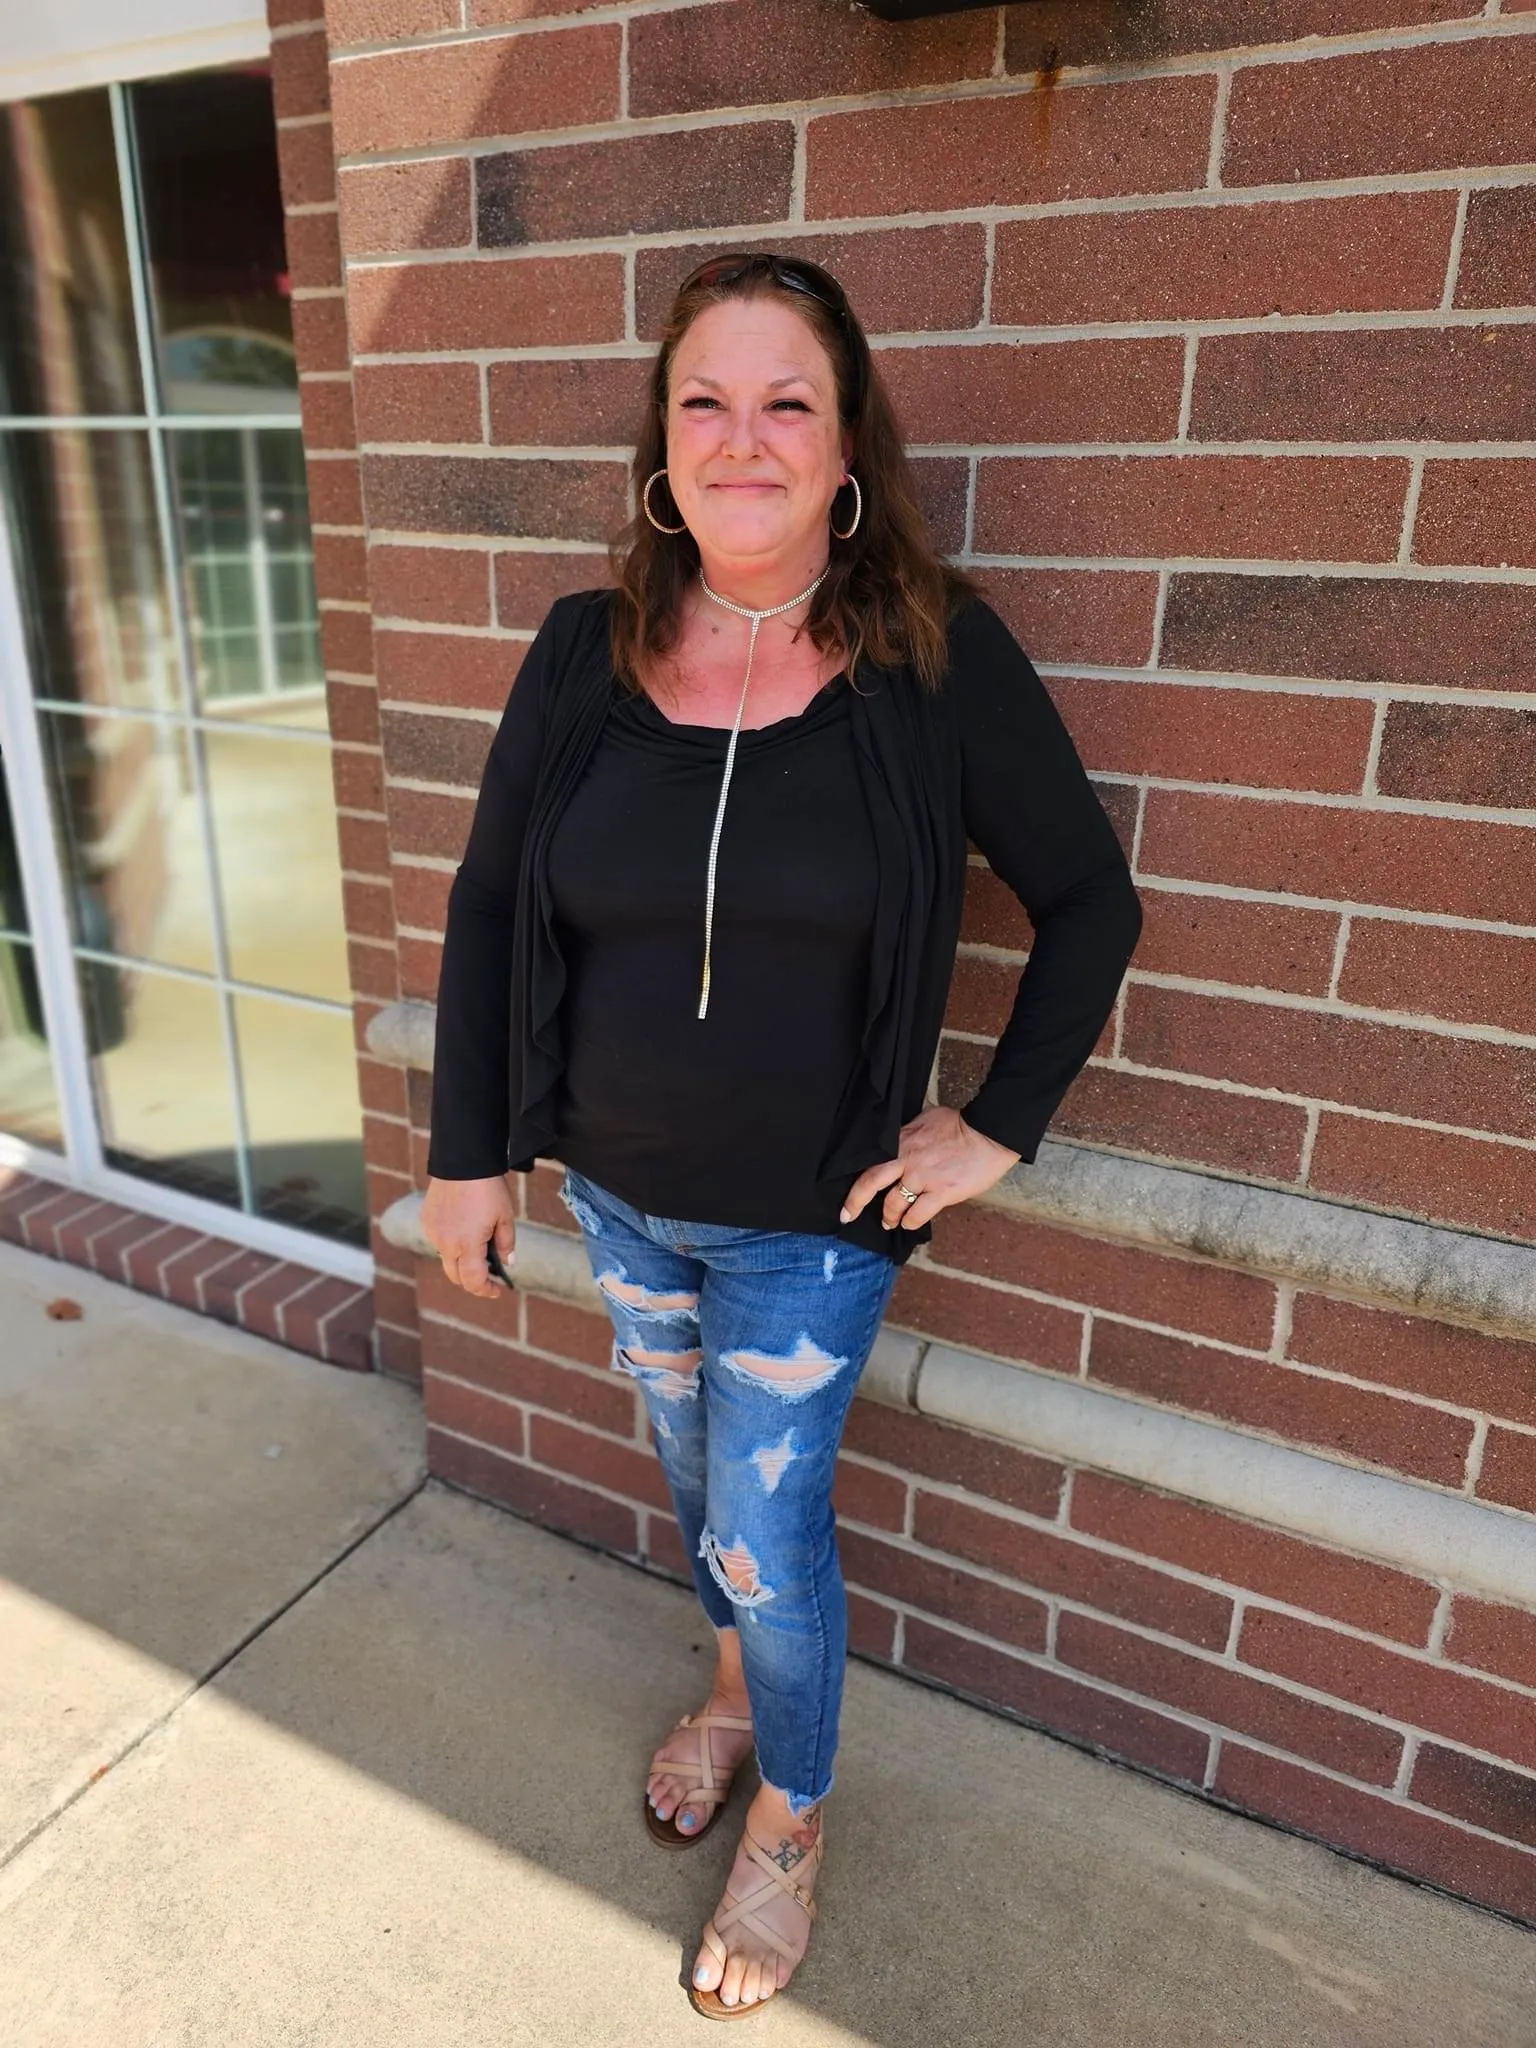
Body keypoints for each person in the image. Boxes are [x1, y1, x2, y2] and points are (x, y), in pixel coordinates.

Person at [420, 251, 1142, 2019]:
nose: (744, 439)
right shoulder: (581, 657)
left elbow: (1090, 901)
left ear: (843, 454)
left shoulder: (933, 660)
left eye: (787, 404)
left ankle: (795, 1825)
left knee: (761, 1531)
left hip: (814, 1222)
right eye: (705, 403)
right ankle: (740, 1700)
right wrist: (469, 1153)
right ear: (662, 455)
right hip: (618, 1190)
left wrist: (996, 1130)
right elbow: (496, 900)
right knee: (692, 1482)